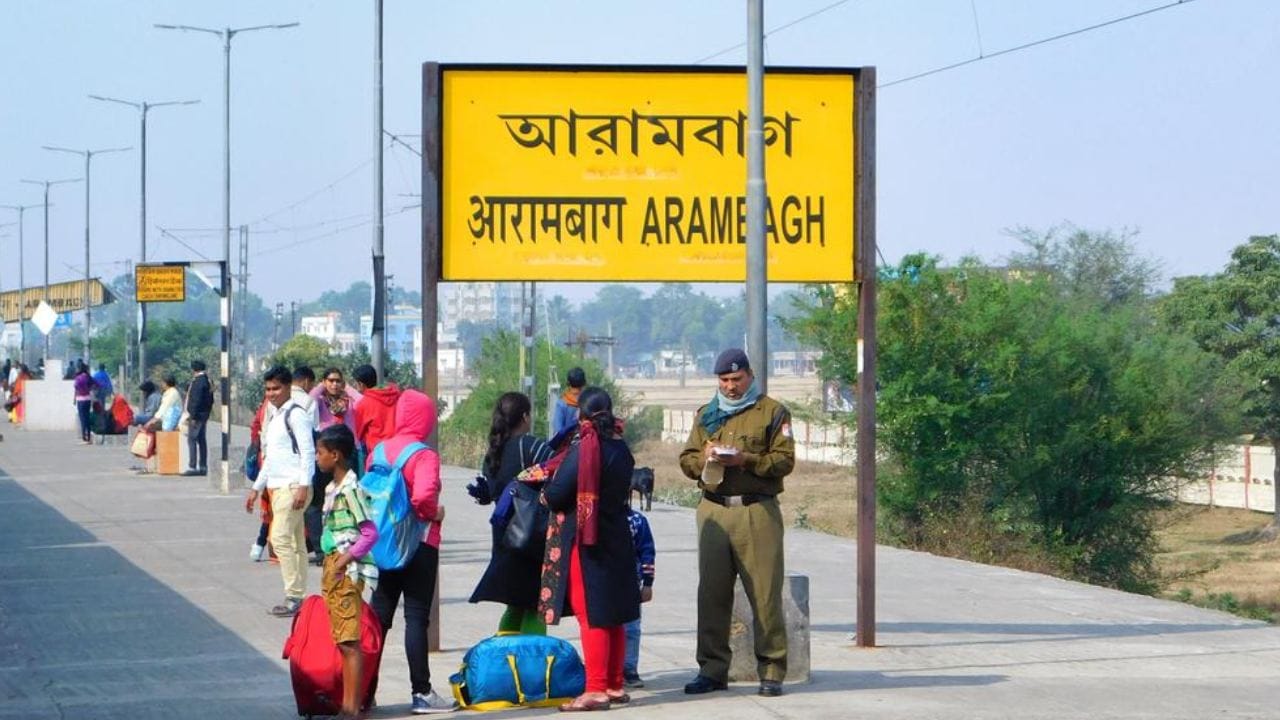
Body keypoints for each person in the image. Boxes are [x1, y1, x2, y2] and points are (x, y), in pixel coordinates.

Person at [678, 348, 795, 698]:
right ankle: (712, 670)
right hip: (714, 510)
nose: (730, 387)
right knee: (711, 594)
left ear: (749, 375)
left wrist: (746, 459)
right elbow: (686, 460)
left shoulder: (772, 412)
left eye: (736, 379)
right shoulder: (707, 414)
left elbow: (784, 461)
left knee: (764, 594)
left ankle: (772, 670)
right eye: (724, 380)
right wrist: (706, 457)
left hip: (755, 511)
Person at [538, 387, 640, 711]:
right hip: (618, 535)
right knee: (613, 614)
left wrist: (543, 493)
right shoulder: (621, 447)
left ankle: (594, 689)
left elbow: (557, 494)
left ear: (581, 415)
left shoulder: (585, 448)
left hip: (588, 539)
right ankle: (613, 685)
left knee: (591, 613)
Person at [369, 389, 454, 714]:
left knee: (379, 619)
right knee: (416, 617)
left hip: (384, 543)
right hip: (420, 545)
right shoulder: (424, 455)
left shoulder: (378, 451)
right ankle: (421, 692)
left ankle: (365, 689)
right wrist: (436, 513)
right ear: (426, 419)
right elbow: (423, 498)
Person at [468, 392, 554, 634]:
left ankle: (505, 659)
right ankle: (531, 664)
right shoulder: (532, 446)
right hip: (531, 536)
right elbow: (557, 474)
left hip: (504, 535)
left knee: (515, 605)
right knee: (535, 605)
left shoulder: (493, 452)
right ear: (525, 416)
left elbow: (491, 490)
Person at [314, 423, 380, 720]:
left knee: (350, 642)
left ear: (336, 455)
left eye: (320, 452)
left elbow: (369, 533)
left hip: (346, 569)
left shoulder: (352, 490)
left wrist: (343, 560)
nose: (317, 458)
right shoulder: (332, 489)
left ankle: (352, 709)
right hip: (334, 564)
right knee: (342, 639)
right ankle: (348, 705)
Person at [245, 366, 316, 618]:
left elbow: (308, 452)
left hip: (293, 486)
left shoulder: (296, 415)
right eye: (268, 389)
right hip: (278, 486)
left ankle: (293, 596)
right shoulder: (275, 417)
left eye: (276, 388)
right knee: (295, 542)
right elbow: (272, 458)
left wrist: (303, 485)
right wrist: (256, 489)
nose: (271, 393)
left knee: (280, 539)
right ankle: (299, 595)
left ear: (288, 387)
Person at [623, 505, 656, 688]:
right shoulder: (599, 518)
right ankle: (606, 669)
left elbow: (647, 553)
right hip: (604, 585)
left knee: (632, 628)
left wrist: (648, 583)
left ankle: (629, 669)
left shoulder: (637, 521)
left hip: (632, 585)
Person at [352, 364, 400, 469]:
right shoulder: (396, 396)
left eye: (355, 384)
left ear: (361, 384)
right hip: (399, 451)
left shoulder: (364, 404)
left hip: (377, 455)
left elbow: (359, 434)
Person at [183, 360, 214, 476]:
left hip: (197, 415)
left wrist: (193, 415)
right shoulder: (208, 380)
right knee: (201, 440)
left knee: (192, 439)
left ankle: (192, 466)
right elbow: (210, 400)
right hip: (204, 414)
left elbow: (196, 400)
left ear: (194, 369)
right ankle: (203, 466)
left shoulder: (198, 382)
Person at [549, 367, 586, 443]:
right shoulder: (588, 402)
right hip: (586, 446)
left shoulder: (562, 403)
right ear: (584, 383)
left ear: (568, 383)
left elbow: (558, 431)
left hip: (567, 448)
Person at [72, 362, 96, 445]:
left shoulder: (78, 378)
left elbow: (76, 389)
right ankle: (89, 436)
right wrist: (89, 390)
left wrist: (74, 399)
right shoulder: (88, 377)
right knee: (87, 417)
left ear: (79, 368)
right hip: (88, 399)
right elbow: (95, 385)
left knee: (82, 418)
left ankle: (84, 437)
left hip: (80, 400)